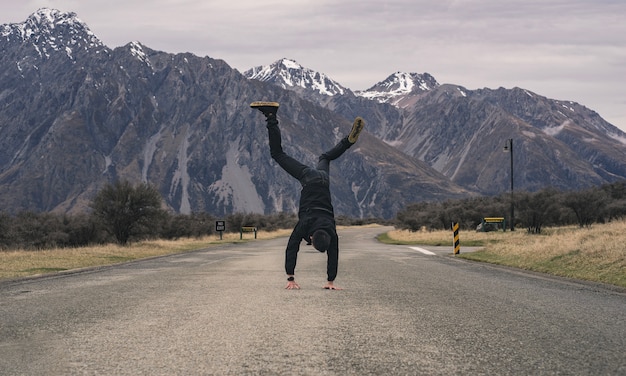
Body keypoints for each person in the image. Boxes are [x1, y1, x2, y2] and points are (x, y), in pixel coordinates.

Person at [250, 101, 364, 290]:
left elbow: (333, 254)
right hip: (309, 179)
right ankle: (271, 116)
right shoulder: (306, 225)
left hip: (323, 180)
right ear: (311, 238)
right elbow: (292, 246)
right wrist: (290, 278)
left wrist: (331, 281)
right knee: (277, 154)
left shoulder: (332, 231)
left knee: (325, 158)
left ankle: (348, 141)